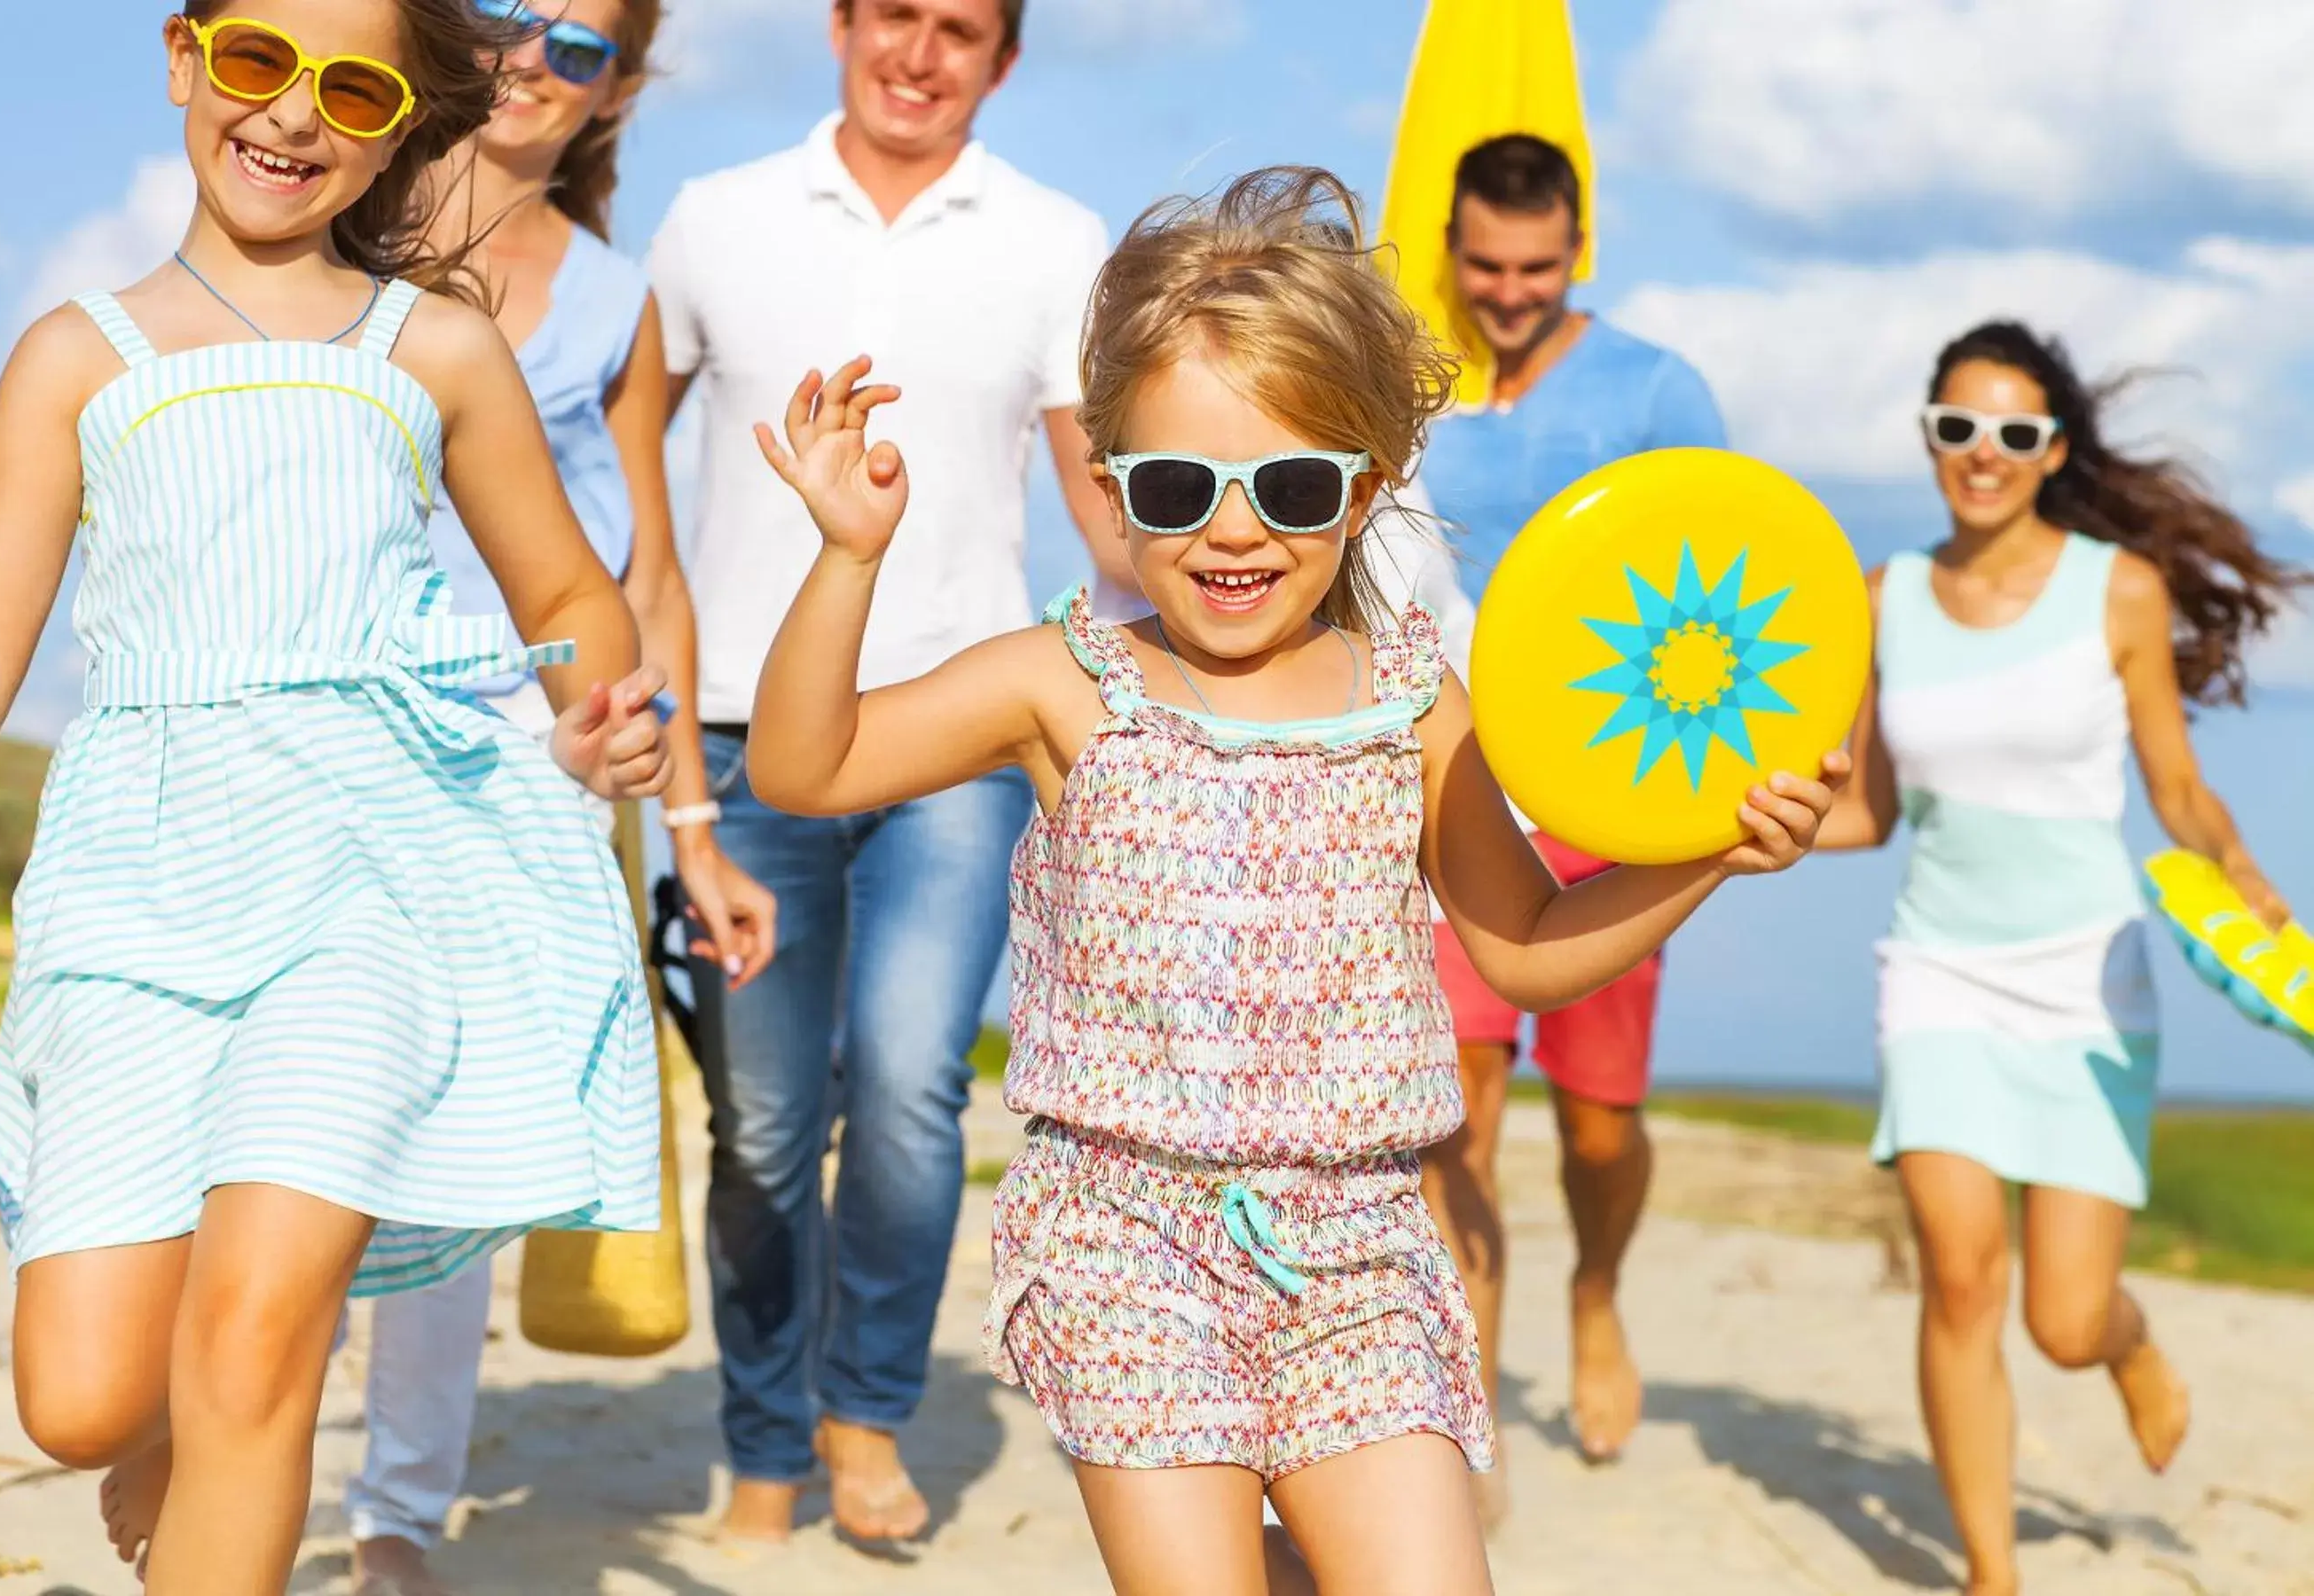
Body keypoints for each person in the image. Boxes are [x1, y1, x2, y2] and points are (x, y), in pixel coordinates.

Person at [742, 164, 1844, 1596]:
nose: (1235, 529)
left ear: (1367, 489)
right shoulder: (1069, 684)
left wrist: (1711, 849)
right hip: (1125, 1244)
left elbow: (1524, 945)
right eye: (1180, 485)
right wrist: (846, 558)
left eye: (1296, 485)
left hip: (1363, 1252)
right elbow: (803, 768)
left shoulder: (1412, 699)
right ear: (1113, 487)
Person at [0, 3, 673, 1588]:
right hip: (136, 883)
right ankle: (174, 1431)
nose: (294, 115)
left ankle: (240, 1403)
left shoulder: (438, 347)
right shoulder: (75, 354)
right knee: (79, 1396)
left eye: (354, 85)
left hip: (377, 874)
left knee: (258, 1338)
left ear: (404, 122)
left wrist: (604, 720)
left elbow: (574, 600)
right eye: (259, 61)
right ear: (187, 57)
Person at [642, 0, 1113, 1545]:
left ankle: (863, 1419)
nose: (921, 52)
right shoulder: (716, 221)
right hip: (738, 733)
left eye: (960, 28)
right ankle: (763, 1438)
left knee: (912, 1090)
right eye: (894, 15)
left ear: (1005, 59)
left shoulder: (1058, 241)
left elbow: (1108, 512)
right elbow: (627, 456)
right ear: (841, 26)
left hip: (958, 743)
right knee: (765, 1124)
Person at [333, 4, 779, 1592]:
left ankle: (394, 1513)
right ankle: (222, 1421)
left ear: (619, 91)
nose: (533, 58)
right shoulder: (339, 209)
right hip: (331, 718)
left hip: (538, 747)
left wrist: (699, 833)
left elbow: (647, 562)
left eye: (579, 45)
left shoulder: (611, 301)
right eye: (510, 17)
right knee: (292, 1103)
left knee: (451, 1136)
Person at [1817, 322, 2302, 1596]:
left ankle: (2131, 1349)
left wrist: (2246, 877)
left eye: (2014, 434)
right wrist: (1710, 828)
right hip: (1938, 973)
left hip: (2088, 978)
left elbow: (2179, 786)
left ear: (2053, 452)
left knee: (2064, 1318)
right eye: (1959, 430)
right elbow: (1866, 809)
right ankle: (1992, 1574)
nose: (1985, 455)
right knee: (1961, 1277)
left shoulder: (2118, 590)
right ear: (1930, 439)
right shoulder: (1883, 598)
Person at [1405, 133, 1729, 1486]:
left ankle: (1596, 1289)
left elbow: (1721, 594)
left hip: (1617, 789)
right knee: (1456, 1112)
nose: (1509, 290)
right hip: (1459, 783)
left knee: (1598, 1123)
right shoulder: (1415, 393)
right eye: (1485, 264)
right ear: (1454, 247)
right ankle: (1465, 1422)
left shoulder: (1658, 388)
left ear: (1577, 250)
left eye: (1536, 268)